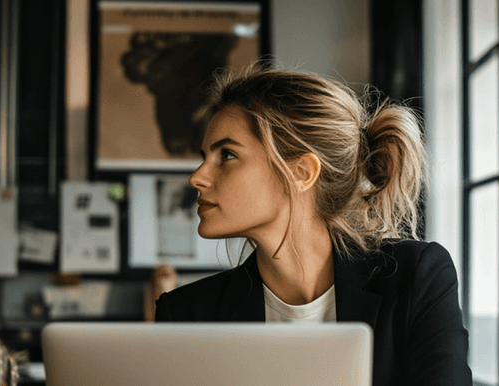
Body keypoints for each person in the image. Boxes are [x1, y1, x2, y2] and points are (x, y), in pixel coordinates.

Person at [154, 64, 472, 386]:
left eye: (226, 155)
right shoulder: (186, 314)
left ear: (302, 172)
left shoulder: (415, 277)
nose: (197, 177)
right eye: (204, 156)